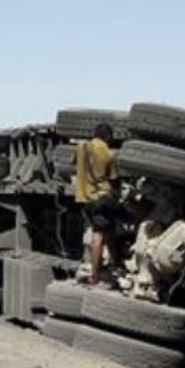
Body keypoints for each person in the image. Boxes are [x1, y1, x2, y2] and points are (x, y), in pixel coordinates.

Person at [74, 122, 123, 286]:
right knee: (99, 236)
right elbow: (114, 179)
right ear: (108, 137)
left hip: (85, 198)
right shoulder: (109, 153)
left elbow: (74, 164)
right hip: (101, 198)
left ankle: (117, 264)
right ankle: (95, 274)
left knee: (108, 232)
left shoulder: (81, 147)